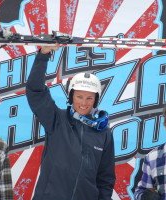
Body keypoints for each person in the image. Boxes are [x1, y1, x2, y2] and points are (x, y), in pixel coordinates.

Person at [26, 45, 116, 200]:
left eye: (89, 98)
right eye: (79, 96)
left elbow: (105, 179)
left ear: (96, 100)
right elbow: (35, 91)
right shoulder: (56, 119)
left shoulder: (104, 133)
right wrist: (43, 55)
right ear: (71, 96)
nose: (84, 103)